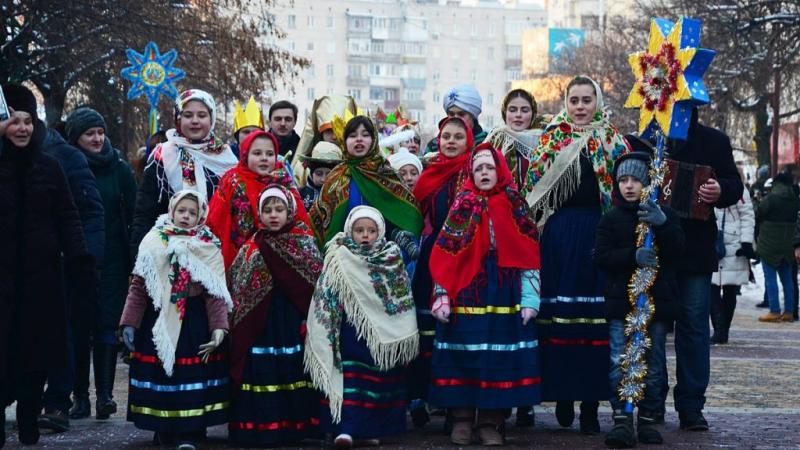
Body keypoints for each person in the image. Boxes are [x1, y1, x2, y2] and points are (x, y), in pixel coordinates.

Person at [524, 76, 630, 434]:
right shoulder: (552, 139)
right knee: (560, 319)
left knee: (593, 320)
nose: (581, 107)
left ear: (597, 102)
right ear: (566, 102)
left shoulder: (613, 140)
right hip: (558, 237)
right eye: (575, 100)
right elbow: (532, 191)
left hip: (597, 235)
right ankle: (564, 396)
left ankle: (589, 403)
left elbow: (625, 187)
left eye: (587, 100)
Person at [627, 107, 744, 430]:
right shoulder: (643, 140)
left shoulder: (714, 141)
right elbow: (624, 181)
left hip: (695, 252)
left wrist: (720, 190)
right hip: (653, 250)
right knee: (654, 327)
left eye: (684, 103)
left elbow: (735, 185)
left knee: (693, 329)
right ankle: (653, 400)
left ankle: (691, 405)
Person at [0, 83, 96, 446]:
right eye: (13, 121)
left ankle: (28, 415)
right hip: (3, 278)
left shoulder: (50, 165)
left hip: (41, 279)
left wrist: (80, 259)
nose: (22, 128)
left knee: (36, 351)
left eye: (27, 121)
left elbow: (69, 217)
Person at [429, 144, 542, 446]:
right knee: (465, 352)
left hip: (505, 288)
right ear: (470, 173)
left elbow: (529, 252)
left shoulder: (515, 203)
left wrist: (530, 298)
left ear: (500, 170)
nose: (484, 173)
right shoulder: (461, 204)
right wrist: (441, 295)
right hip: (467, 288)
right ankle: (463, 418)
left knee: (497, 356)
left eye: (489, 168)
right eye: (478, 169)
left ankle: (491, 422)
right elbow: (446, 253)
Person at [119, 190, 232, 450]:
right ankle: (164, 428)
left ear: (201, 216)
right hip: (158, 319)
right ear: (172, 211)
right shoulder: (153, 241)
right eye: (182, 210)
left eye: (192, 212)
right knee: (162, 375)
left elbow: (215, 292)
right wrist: (129, 322)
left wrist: (219, 327)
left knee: (189, 375)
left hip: (193, 323)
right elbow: (139, 286)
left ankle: (189, 431)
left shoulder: (207, 245)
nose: (186, 216)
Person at [304, 206, 419, 449]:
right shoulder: (339, 256)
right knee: (351, 381)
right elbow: (326, 291)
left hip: (382, 335)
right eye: (359, 230)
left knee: (377, 382)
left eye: (371, 230)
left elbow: (399, 296)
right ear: (350, 231)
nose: (365, 235)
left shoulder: (390, 258)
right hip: (350, 332)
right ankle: (345, 430)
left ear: (381, 232)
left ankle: (369, 431)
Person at [595, 152, 684, 448]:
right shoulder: (611, 219)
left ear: (648, 182)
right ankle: (622, 418)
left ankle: (647, 418)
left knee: (653, 362)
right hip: (622, 303)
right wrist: (632, 257)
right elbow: (602, 256)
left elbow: (678, 250)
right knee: (620, 360)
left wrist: (662, 225)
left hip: (655, 304)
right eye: (623, 180)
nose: (629, 186)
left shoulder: (664, 215)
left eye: (635, 180)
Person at [228, 185, 322, 446]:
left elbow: (315, 281)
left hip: (292, 320)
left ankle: (297, 425)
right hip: (261, 323)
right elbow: (239, 284)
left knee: (292, 365)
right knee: (261, 367)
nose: (273, 215)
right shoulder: (252, 245)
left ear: (289, 211)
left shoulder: (303, 241)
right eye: (267, 210)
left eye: (279, 209)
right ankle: (261, 427)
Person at [64, 107, 138, 421]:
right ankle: (80, 397)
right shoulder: (66, 166)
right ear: (75, 138)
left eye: (100, 132)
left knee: (108, 325)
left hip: (113, 259)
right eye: (89, 134)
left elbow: (134, 211)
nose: (97, 139)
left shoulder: (118, 169)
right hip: (78, 259)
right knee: (81, 327)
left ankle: (105, 396)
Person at [407, 116, 474, 427]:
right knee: (430, 332)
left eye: (458, 137)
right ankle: (428, 398)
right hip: (431, 258)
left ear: (468, 140)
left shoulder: (475, 172)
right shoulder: (428, 174)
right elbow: (413, 215)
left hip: (465, 257)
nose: (450, 141)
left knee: (459, 328)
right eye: (446, 136)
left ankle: (456, 407)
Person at [130, 89, 237, 257]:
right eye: (188, 115)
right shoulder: (162, 156)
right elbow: (144, 211)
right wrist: (139, 255)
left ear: (212, 118)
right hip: (168, 252)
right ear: (178, 119)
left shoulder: (226, 158)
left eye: (202, 115)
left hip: (217, 253)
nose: (195, 121)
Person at [308, 115, 422, 247]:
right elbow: (319, 223)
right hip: (343, 256)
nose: (359, 139)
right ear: (344, 141)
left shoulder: (385, 173)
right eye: (352, 135)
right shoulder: (336, 177)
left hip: (382, 256)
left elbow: (407, 216)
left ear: (373, 140)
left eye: (365, 134)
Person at [206, 130, 310, 268]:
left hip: (281, 258)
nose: (264, 158)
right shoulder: (232, 181)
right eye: (257, 153)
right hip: (240, 259)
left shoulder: (283, 180)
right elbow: (216, 220)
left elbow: (300, 220)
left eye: (270, 154)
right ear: (245, 155)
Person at [711, 190, 756, 343]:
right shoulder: (706, 183)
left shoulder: (739, 189)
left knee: (730, 290)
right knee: (712, 289)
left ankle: (723, 330)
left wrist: (746, 243)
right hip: (712, 243)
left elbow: (747, 216)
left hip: (735, 246)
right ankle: (719, 330)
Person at [485, 89, 547, 198]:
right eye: (512, 110)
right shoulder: (495, 140)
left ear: (533, 113)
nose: (518, 115)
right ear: (505, 113)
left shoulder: (547, 140)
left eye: (524, 110)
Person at [756, 171, 799, 322]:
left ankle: (774, 311)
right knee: (787, 279)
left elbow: (759, 213)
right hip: (788, 244)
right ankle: (789, 312)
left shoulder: (771, 198)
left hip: (769, 243)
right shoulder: (795, 200)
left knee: (770, 278)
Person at [424, 84, 487, 154]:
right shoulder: (434, 146)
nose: (456, 118)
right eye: (451, 114)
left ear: (473, 116)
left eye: (461, 114)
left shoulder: (487, 143)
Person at [298, 141, 343, 212]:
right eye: (319, 174)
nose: (323, 179)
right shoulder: (300, 194)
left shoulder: (341, 195)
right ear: (311, 173)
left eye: (329, 174)